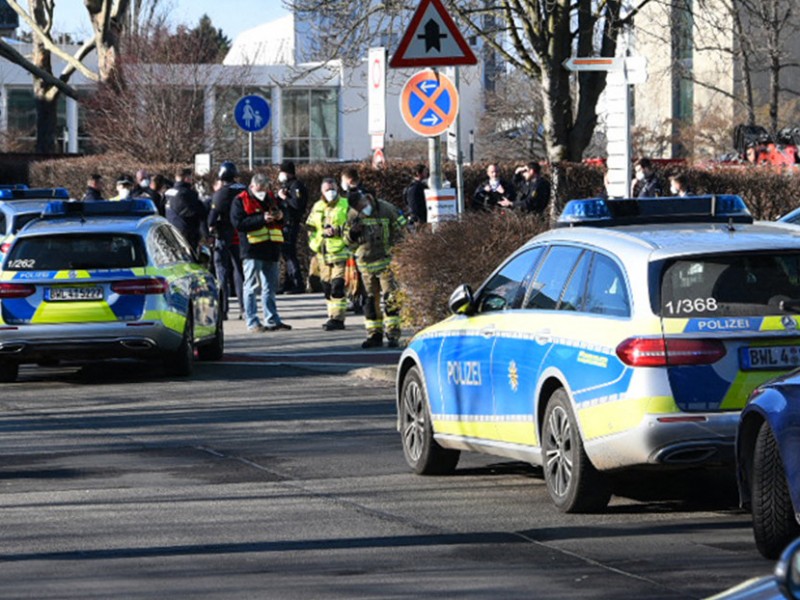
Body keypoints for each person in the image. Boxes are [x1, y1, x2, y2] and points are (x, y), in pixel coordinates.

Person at [230, 173, 292, 333]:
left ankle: (272, 319)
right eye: (259, 189)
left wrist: (280, 216)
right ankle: (252, 322)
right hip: (252, 249)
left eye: (264, 189)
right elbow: (238, 223)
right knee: (251, 287)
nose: (262, 192)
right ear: (252, 186)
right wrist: (262, 219)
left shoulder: (271, 198)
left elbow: (285, 215)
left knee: (270, 287)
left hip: (271, 248)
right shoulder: (240, 200)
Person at [345, 193, 407, 348]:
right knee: (369, 302)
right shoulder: (353, 214)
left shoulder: (387, 209)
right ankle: (374, 334)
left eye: (362, 207)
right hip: (365, 265)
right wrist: (353, 233)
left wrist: (399, 253)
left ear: (367, 199)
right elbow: (346, 241)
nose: (362, 212)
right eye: (358, 210)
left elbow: (403, 230)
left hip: (386, 262)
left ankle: (393, 334)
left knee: (391, 299)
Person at [306, 178, 351, 331]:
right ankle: (331, 315)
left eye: (333, 188)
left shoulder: (345, 204)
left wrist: (338, 231)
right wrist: (315, 243)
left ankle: (338, 319)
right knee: (326, 286)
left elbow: (353, 226)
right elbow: (311, 228)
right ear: (322, 191)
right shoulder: (317, 207)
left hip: (340, 252)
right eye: (327, 189)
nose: (330, 192)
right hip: (322, 253)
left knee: (337, 286)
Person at [208, 161, 246, 321]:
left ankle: (223, 309)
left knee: (221, 271)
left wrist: (210, 228)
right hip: (241, 235)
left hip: (223, 235)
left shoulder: (221, 193)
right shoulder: (244, 190)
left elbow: (212, 216)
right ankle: (244, 308)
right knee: (240, 271)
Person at [276, 160, 308, 294]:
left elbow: (297, 204)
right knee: (286, 254)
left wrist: (284, 198)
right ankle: (288, 283)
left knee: (290, 254)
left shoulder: (296, 186)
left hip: (291, 223)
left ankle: (297, 283)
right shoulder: (287, 185)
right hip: (284, 223)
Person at [165, 168, 207, 251]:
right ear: (186, 178)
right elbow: (199, 212)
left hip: (170, 230)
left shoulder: (168, 192)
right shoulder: (188, 194)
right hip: (187, 233)